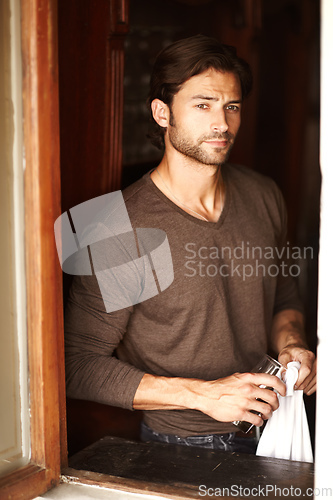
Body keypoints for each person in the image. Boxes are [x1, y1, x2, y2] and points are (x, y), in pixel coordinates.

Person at [65, 35, 316, 454]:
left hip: (279, 426)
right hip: (181, 443)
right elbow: (77, 365)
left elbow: (282, 295)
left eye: (231, 107)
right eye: (203, 105)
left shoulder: (263, 195)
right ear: (163, 113)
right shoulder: (120, 226)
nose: (222, 123)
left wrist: (291, 343)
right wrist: (203, 395)